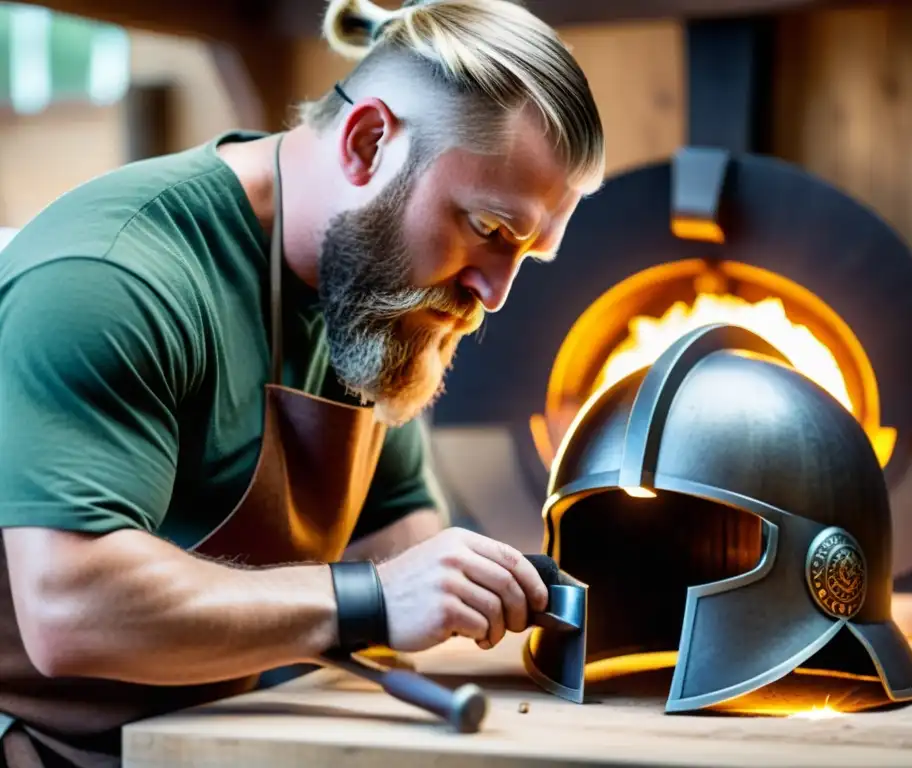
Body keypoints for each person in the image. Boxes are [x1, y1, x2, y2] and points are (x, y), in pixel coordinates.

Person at [0, 0, 605, 764]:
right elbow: (72, 608)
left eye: (528, 253)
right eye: (488, 229)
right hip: (44, 743)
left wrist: (490, 586)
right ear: (368, 141)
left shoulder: (369, 294)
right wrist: (372, 600)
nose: (496, 293)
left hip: (222, 732)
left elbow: (399, 527)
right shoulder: (114, 278)